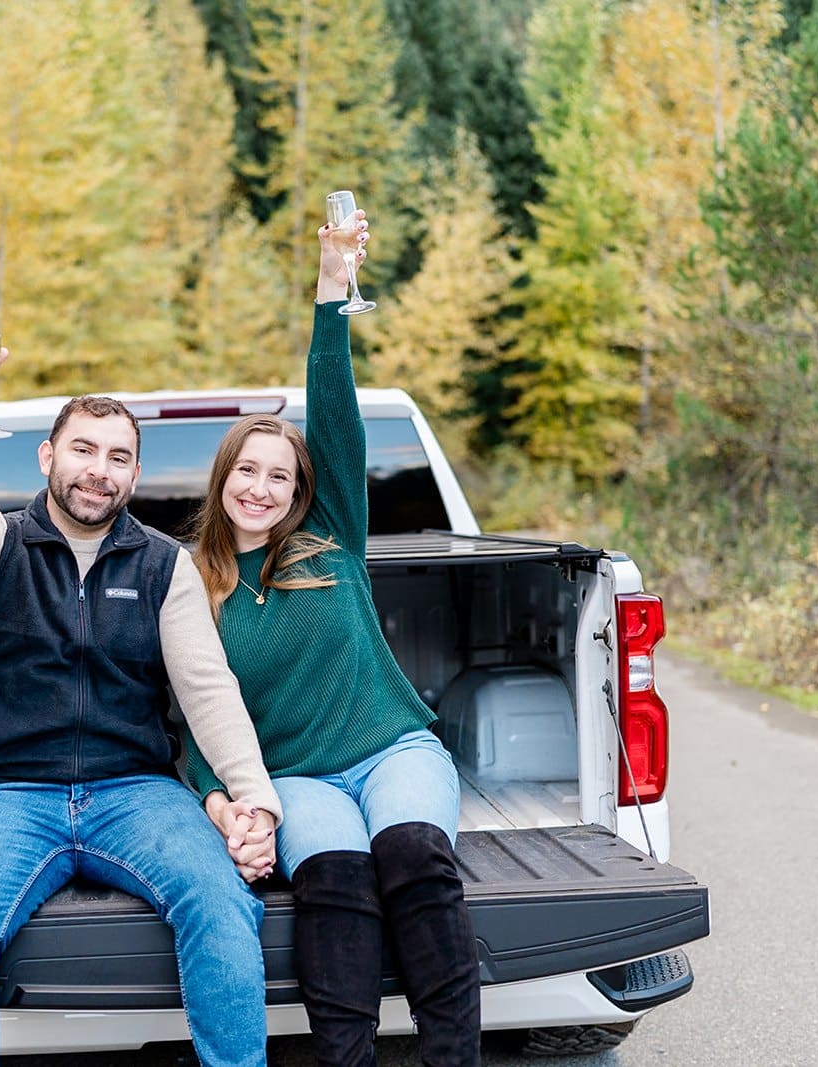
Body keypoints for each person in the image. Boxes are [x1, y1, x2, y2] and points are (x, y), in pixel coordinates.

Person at [0, 331, 282, 1067]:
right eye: (82, 450)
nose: (97, 471)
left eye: (117, 457)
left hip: (136, 791)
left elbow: (207, 689)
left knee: (223, 902)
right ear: (48, 457)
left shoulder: (166, 565)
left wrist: (254, 798)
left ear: (135, 474)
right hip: (11, 795)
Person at [185, 213, 481, 1067]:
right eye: (248, 469)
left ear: (300, 489)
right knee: (339, 882)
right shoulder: (191, 587)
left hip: (391, 749)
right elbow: (192, 718)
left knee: (415, 859)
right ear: (224, 478)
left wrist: (329, 288)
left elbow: (335, 408)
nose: (263, 486)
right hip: (294, 776)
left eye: (281, 474)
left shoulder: (331, 540)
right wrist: (223, 799)